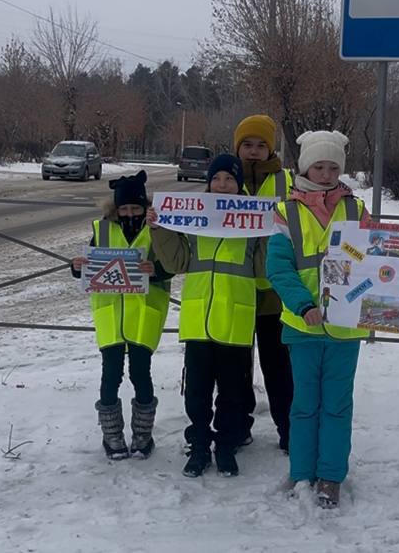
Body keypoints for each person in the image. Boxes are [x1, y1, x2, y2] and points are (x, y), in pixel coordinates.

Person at [266, 130, 367, 508]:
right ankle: (301, 470)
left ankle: (331, 475)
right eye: (319, 166)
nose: (326, 174)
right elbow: (278, 267)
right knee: (304, 404)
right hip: (302, 325)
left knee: (337, 405)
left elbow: (382, 259)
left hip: (346, 327)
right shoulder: (286, 211)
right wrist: (302, 304)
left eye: (333, 167)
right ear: (305, 166)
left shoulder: (356, 209)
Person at [148, 154, 263, 478]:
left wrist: (273, 234)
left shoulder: (255, 219)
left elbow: (262, 271)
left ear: (238, 184)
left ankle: (226, 446)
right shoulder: (194, 216)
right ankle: (198, 445)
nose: (222, 185)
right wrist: (160, 230)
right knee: (197, 391)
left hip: (236, 320)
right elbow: (177, 262)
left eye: (229, 179)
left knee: (232, 392)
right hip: (198, 318)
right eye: (216, 179)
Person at [71, 170, 174, 461]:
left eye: (135, 207)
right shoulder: (102, 229)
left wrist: (157, 271)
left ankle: (143, 435)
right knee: (110, 375)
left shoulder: (157, 228)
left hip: (145, 312)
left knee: (141, 373)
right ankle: (112, 435)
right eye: (124, 208)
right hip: (110, 313)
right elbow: (88, 265)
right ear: (116, 208)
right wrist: (78, 266)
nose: (129, 213)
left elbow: (172, 263)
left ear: (144, 207)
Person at [233, 115, 295, 452]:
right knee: (237, 365)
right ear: (237, 147)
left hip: (275, 291)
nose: (254, 151)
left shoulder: (286, 181)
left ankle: (288, 430)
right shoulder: (223, 179)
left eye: (261, 145)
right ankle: (239, 424)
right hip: (237, 289)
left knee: (278, 365)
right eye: (247, 144)